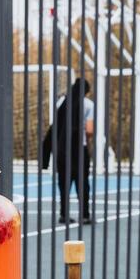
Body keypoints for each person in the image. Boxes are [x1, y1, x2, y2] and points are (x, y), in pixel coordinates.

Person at [40, 78, 93, 224]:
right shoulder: (88, 104)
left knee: (64, 183)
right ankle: (85, 215)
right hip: (79, 150)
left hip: (62, 150)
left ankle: (64, 213)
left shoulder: (61, 103)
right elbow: (89, 129)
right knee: (83, 183)